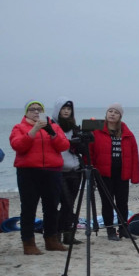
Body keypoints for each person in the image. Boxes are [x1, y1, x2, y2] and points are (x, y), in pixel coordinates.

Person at [10, 101, 70, 254]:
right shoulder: (19, 127)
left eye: (39, 109)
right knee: (29, 207)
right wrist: (34, 130)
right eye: (32, 110)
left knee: (51, 207)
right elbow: (18, 146)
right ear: (26, 112)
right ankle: (28, 243)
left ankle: (51, 239)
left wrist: (51, 132)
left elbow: (64, 146)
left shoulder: (53, 127)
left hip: (52, 171)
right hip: (28, 172)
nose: (36, 112)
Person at [89, 103, 139, 241]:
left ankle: (123, 229)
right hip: (104, 174)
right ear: (106, 114)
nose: (112, 114)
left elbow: (134, 155)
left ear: (120, 116)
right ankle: (110, 230)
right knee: (107, 202)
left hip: (122, 173)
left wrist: (135, 176)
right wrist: (91, 171)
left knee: (122, 203)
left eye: (116, 112)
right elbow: (90, 152)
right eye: (110, 111)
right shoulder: (96, 130)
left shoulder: (127, 133)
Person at [52, 97, 83, 245]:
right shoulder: (52, 127)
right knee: (65, 202)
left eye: (69, 109)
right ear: (58, 110)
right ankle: (56, 232)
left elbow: (82, 150)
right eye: (64, 108)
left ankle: (68, 234)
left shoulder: (75, 128)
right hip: (58, 170)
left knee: (71, 203)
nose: (66, 111)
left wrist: (82, 141)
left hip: (75, 169)